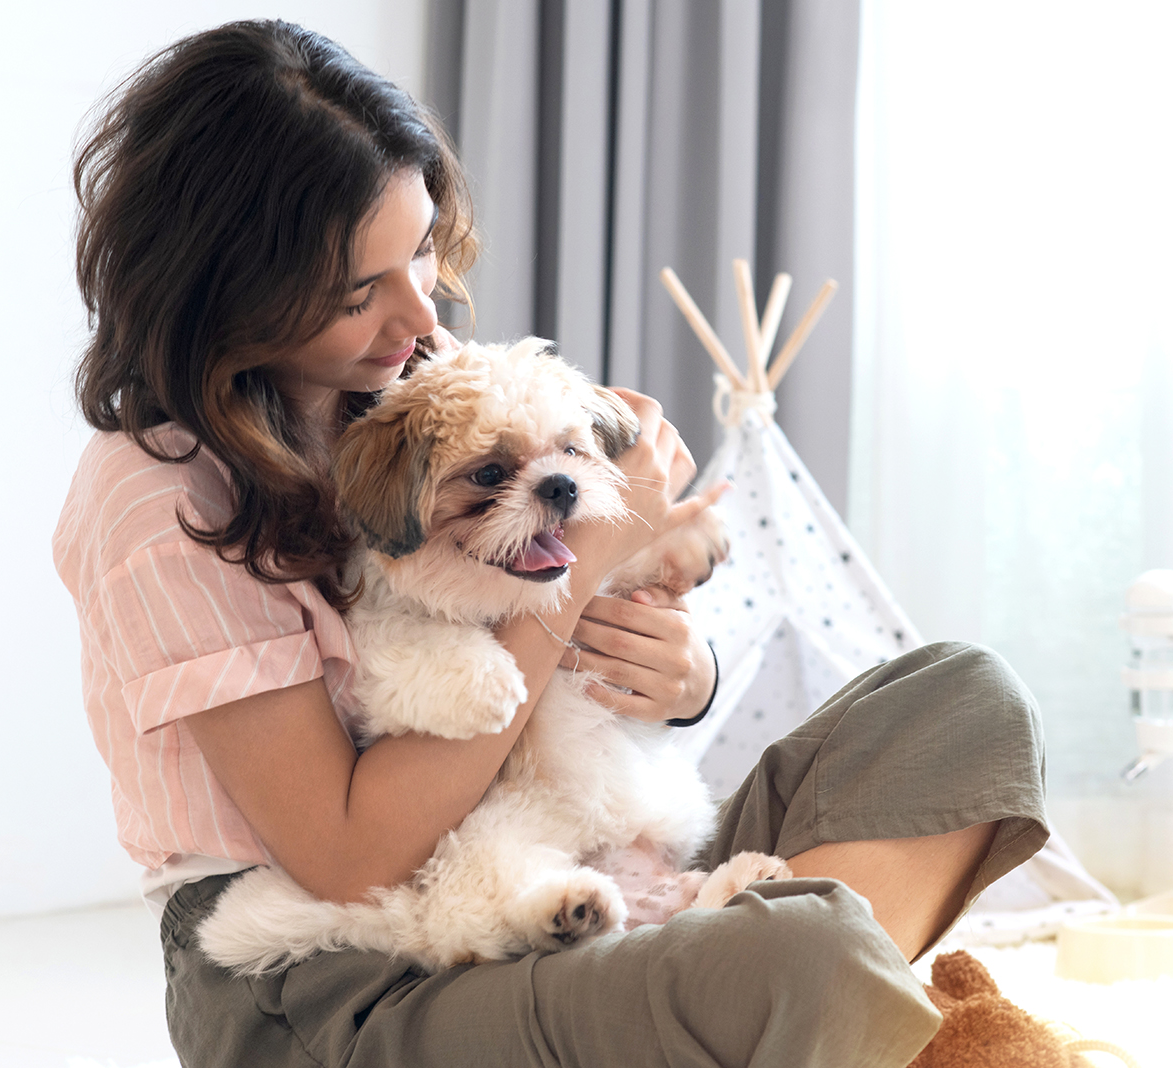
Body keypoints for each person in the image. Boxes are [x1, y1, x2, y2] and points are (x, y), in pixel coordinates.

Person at [54, 19, 1048, 1068]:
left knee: (967, 706)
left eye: (424, 247)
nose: (420, 309)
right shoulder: (159, 496)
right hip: (341, 975)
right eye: (358, 292)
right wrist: (590, 568)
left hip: (571, 845)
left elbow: (595, 593)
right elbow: (350, 855)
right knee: (807, 950)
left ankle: (755, 998)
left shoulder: (414, 380)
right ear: (228, 288)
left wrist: (676, 671)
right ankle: (779, 1001)